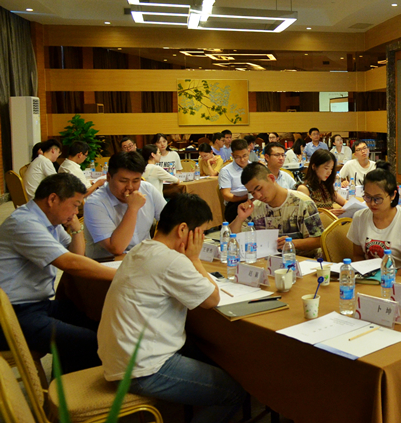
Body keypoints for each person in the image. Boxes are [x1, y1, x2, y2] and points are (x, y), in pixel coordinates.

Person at [97, 194, 247, 422]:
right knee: (235, 392)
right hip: (143, 369)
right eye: (200, 234)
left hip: (120, 357)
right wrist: (194, 259)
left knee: (209, 354)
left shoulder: (140, 249)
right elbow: (212, 299)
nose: (201, 241)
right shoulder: (172, 261)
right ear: (183, 229)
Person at [0, 173, 116, 374]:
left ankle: (62, 379)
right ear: (53, 199)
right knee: (92, 341)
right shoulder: (24, 223)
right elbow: (70, 264)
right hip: (12, 314)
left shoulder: (49, 222)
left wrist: (76, 229)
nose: (76, 211)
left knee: (95, 318)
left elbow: (76, 255)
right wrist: (121, 275)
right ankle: (73, 391)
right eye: (75, 205)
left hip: (38, 305)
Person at [84, 152, 166, 260]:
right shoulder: (95, 203)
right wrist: (133, 208)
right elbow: (116, 248)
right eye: (123, 181)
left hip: (143, 258)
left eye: (136, 180)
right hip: (106, 262)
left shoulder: (148, 189)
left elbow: (172, 222)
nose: (130, 187)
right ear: (108, 177)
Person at [347, 162, 401, 277]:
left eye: (378, 198)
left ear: (393, 195)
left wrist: (387, 279)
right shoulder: (359, 217)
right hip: (370, 277)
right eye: (367, 197)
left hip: (399, 276)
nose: (372, 203)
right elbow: (358, 255)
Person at [233, 163, 324, 258]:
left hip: (303, 260)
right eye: (252, 193)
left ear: (271, 178)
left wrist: (292, 243)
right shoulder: (255, 207)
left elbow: (319, 240)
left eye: (259, 189)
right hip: (267, 261)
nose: (258, 196)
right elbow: (232, 240)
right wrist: (240, 218)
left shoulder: (303, 203)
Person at [297, 150, 347, 215]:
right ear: (314, 166)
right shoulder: (304, 188)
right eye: (326, 168)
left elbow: (344, 202)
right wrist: (327, 214)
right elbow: (303, 216)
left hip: (332, 221)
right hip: (321, 221)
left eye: (331, 169)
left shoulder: (325, 186)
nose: (329, 172)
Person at [218, 139, 251, 223]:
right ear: (232, 155)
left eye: (245, 156)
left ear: (249, 151)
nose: (242, 160)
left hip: (254, 201)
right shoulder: (226, 171)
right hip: (235, 204)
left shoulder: (255, 168)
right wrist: (246, 197)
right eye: (238, 157)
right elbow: (226, 195)